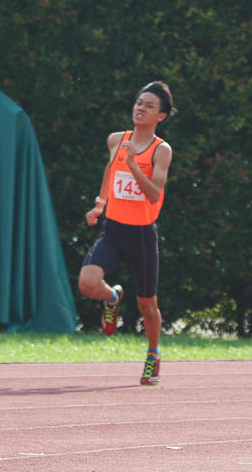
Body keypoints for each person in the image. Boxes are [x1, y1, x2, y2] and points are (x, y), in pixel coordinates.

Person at [79, 81, 175, 385]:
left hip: (142, 237)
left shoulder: (162, 151)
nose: (140, 108)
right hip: (113, 230)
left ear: (161, 115)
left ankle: (153, 354)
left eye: (149, 105)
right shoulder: (116, 140)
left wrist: (134, 164)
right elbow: (110, 171)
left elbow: (153, 194)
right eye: (138, 102)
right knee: (86, 284)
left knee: (148, 305)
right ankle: (111, 297)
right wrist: (100, 203)